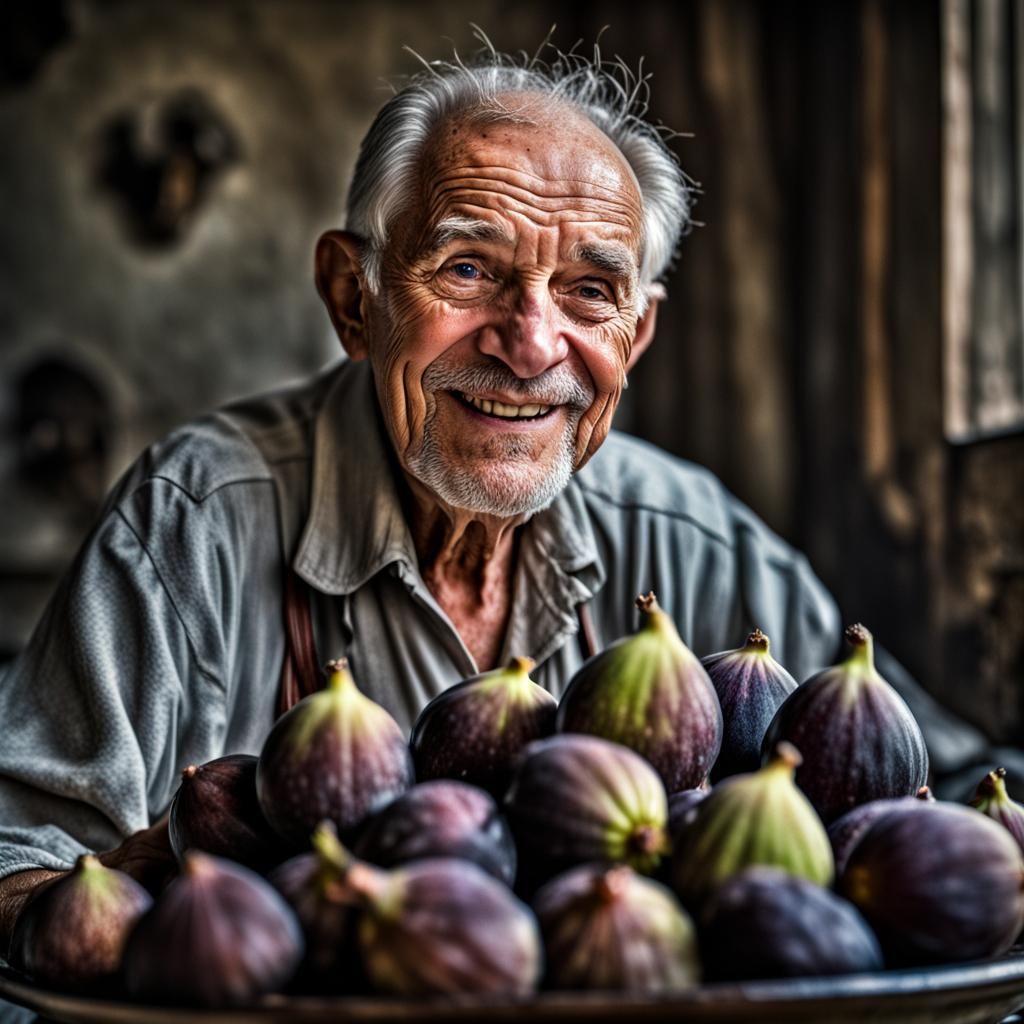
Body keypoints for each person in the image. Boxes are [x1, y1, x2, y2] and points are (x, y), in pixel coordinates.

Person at [0, 46, 876, 956]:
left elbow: (928, 788)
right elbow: (12, 862)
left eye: (589, 292)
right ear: (353, 299)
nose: (533, 346)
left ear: (638, 333)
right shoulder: (197, 520)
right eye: (467, 270)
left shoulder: (684, 535)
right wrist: (181, 888)